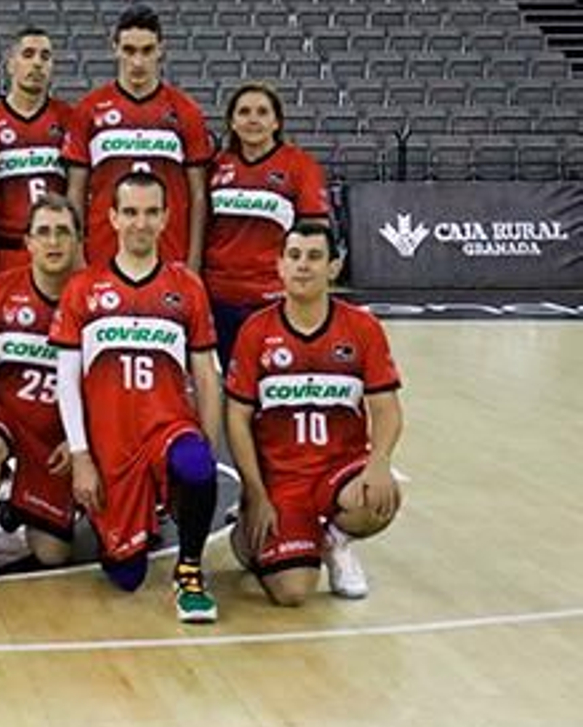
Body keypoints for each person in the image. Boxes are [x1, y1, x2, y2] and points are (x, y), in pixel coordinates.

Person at [49, 171, 223, 623]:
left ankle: (190, 573)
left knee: (196, 466)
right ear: (112, 217)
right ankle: (140, 514)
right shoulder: (83, 288)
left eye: (150, 213)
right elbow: (66, 379)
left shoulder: (187, 287)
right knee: (126, 575)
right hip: (111, 444)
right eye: (130, 212)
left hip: (167, 426)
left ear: (166, 217)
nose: (140, 223)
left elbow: (205, 374)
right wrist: (81, 456)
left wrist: (207, 442)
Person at [226, 222, 405, 605]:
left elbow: (387, 409)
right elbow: (236, 418)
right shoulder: (256, 331)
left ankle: (335, 541)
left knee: (381, 495)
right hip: (282, 480)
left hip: (339, 471)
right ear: (279, 265)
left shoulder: (363, 327)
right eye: (294, 256)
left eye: (314, 257)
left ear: (333, 268)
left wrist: (379, 462)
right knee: (291, 593)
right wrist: (255, 493)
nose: (303, 266)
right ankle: (257, 536)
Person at [0, 196, 82, 579]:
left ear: (79, 240)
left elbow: (107, 386)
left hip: (59, 435)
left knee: (52, 555)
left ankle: (19, 505)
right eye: (43, 232)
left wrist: (81, 442)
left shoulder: (95, 299)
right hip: (9, 417)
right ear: (28, 242)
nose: (53, 242)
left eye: (63, 232)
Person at [64, 5, 212, 271]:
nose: (138, 62)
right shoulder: (88, 110)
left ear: (160, 50)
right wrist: (77, 254)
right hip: (103, 253)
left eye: (147, 50)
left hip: (169, 254)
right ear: (115, 48)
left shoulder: (186, 111)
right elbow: (76, 190)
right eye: (129, 50)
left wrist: (194, 262)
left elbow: (198, 195)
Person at [203, 82, 330, 368]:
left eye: (262, 112)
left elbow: (316, 231)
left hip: (272, 295)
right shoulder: (217, 167)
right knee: (229, 380)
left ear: (276, 122)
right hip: (219, 296)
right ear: (232, 122)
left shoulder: (299, 166)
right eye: (244, 112)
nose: (253, 119)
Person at [0, 27, 76, 275]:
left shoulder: (70, 119)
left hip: (56, 250)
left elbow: (79, 190)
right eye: (28, 54)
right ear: (11, 64)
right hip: (4, 251)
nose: (37, 63)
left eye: (45, 56)